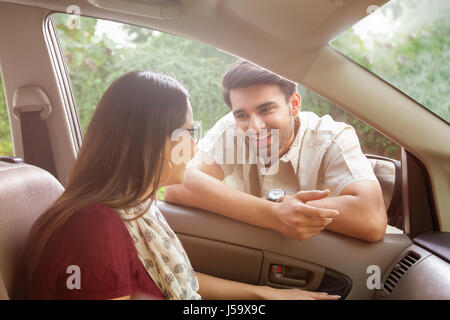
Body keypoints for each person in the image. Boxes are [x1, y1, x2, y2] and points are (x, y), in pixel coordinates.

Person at [14, 71, 339, 300]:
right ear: (146, 143)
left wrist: (264, 296)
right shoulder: (94, 230)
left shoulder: (134, 208)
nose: (194, 150)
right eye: (187, 135)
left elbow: (178, 279)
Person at [165, 61, 387, 242]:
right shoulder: (231, 129)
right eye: (242, 115)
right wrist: (273, 213)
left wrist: (282, 207)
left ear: (294, 104)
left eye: (266, 109)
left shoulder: (331, 137)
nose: (255, 127)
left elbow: (371, 217)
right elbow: (178, 185)